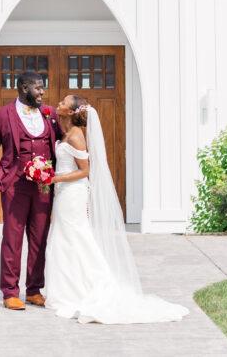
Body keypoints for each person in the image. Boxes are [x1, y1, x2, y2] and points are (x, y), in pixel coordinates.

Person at [43, 94, 189, 324]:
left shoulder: (77, 136)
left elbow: (85, 170)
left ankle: (89, 285)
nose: (58, 104)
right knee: (64, 238)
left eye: (63, 102)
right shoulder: (66, 133)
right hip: (64, 194)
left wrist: (54, 179)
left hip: (72, 194)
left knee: (74, 237)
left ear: (71, 112)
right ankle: (67, 288)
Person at [0, 70, 63, 310]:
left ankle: (34, 290)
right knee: (12, 239)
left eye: (42, 87)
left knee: (39, 239)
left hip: (42, 187)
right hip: (15, 186)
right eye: (38, 87)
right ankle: (10, 292)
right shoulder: (2, 115)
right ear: (24, 88)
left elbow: (60, 142)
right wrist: (0, 177)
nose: (42, 92)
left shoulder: (49, 114)